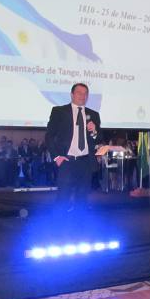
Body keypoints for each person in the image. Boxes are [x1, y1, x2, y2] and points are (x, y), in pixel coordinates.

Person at [45, 83, 101, 213]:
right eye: (79, 93)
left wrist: (94, 131)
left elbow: (98, 139)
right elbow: (49, 136)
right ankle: (59, 223)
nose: (82, 96)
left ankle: (79, 223)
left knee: (82, 198)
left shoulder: (93, 114)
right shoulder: (59, 111)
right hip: (67, 161)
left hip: (85, 162)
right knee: (63, 197)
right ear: (72, 95)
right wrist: (57, 157)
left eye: (85, 93)